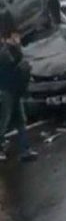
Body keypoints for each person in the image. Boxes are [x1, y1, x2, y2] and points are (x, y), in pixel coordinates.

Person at [0, 12, 38, 162]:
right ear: (10, 37)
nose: (19, 39)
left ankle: (25, 151)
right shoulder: (4, 52)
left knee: (21, 121)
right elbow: (12, 65)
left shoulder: (15, 50)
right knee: (4, 121)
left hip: (15, 92)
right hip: (6, 91)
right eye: (16, 36)